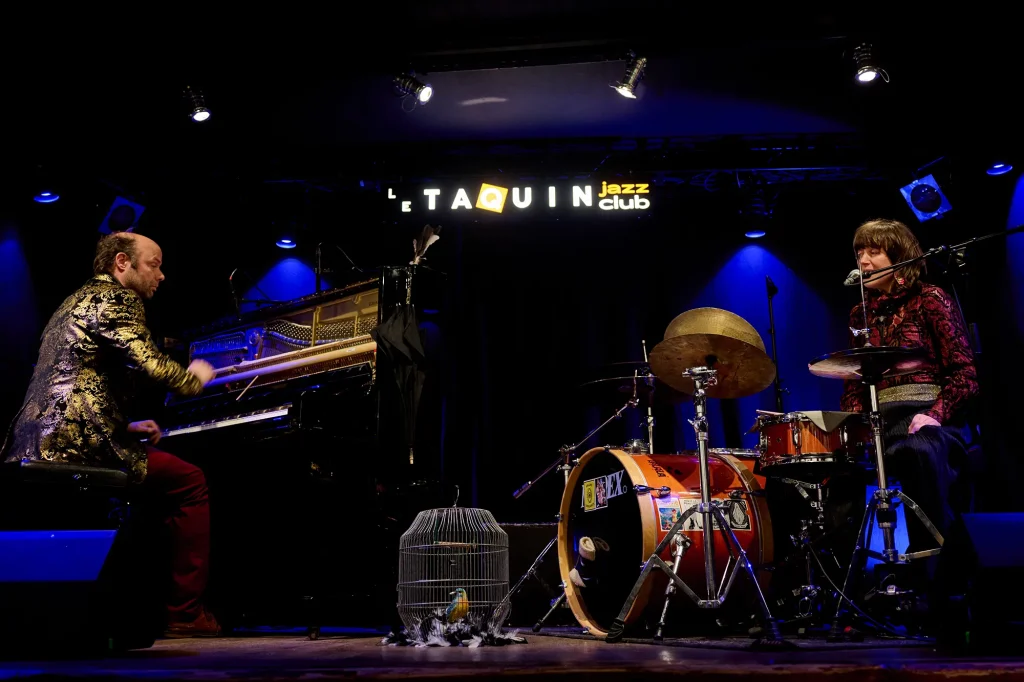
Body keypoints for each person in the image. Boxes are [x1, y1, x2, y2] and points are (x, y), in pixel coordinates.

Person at [1, 231, 221, 638]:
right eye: (154, 264)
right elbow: (150, 362)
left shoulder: (73, 301)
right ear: (122, 262)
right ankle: (184, 613)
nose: (161, 275)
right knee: (190, 482)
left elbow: (72, 378)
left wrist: (125, 426)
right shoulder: (119, 298)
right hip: (74, 443)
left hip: (33, 439)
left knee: (155, 488)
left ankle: (136, 601)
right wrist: (194, 379)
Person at [837, 218, 979, 630]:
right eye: (859, 253)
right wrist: (851, 428)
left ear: (899, 257)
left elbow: (965, 374)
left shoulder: (930, 298)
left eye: (874, 251)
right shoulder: (860, 312)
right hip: (881, 422)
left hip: (931, 420)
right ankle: (846, 591)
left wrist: (934, 413)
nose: (864, 261)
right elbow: (854, 381)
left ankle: (933, 584)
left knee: (919, 454)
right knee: (835, 471)